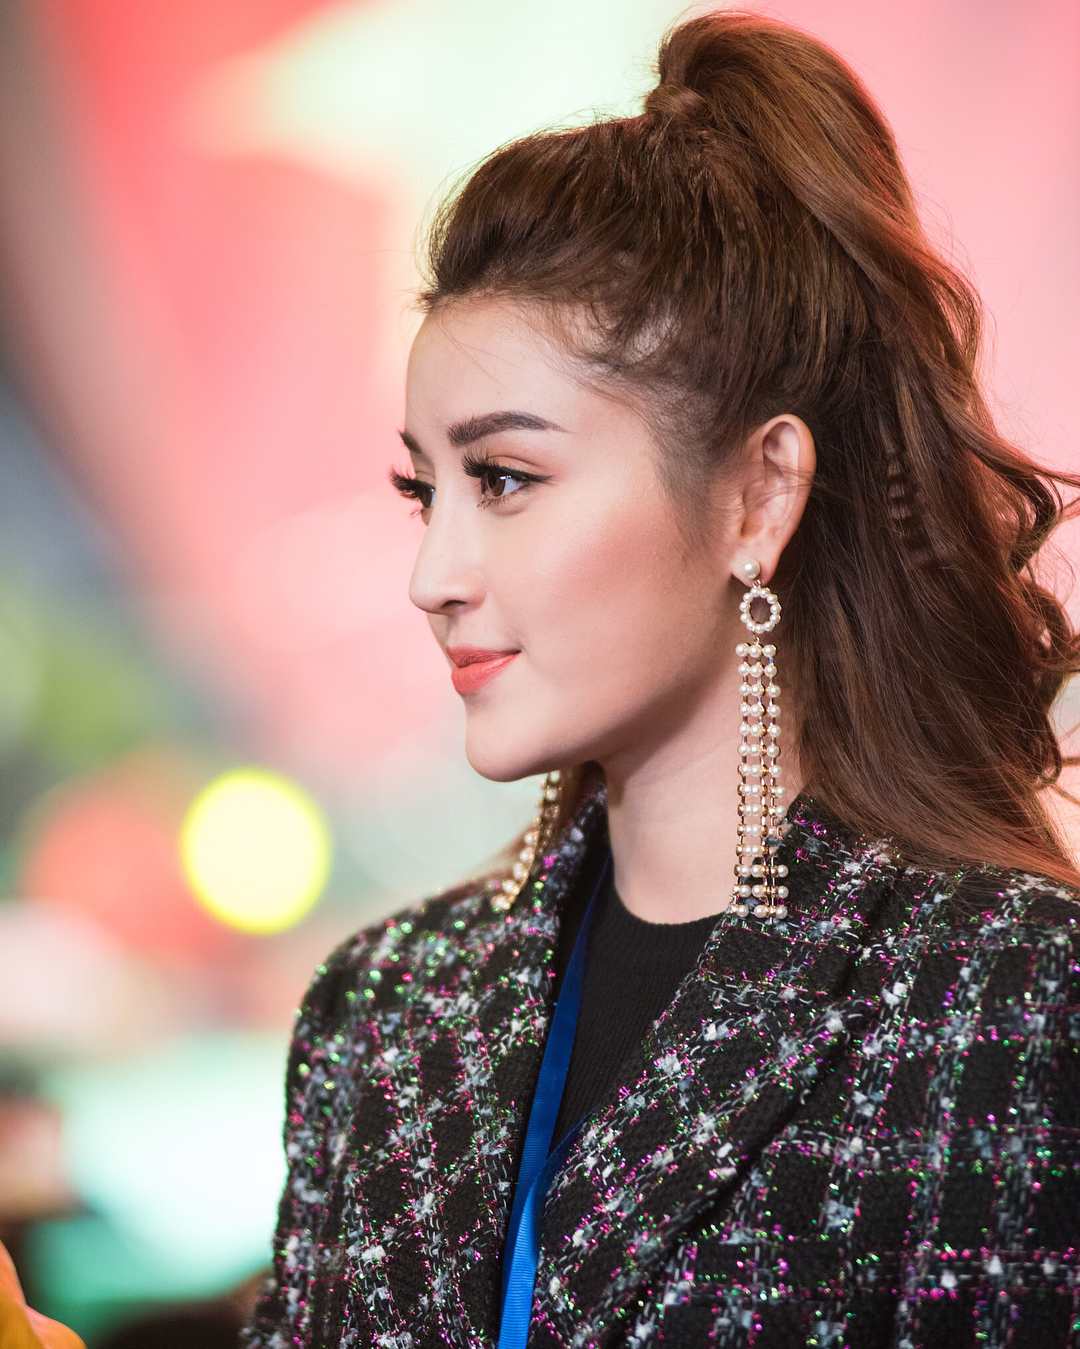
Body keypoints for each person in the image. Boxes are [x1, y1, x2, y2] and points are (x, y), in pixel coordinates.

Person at [241, 10, 1080, 1347]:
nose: (432, 574)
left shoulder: (1009, 1002)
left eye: (504, 479)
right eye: (423, 491)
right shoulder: (382, 1012)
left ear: (760, 494)